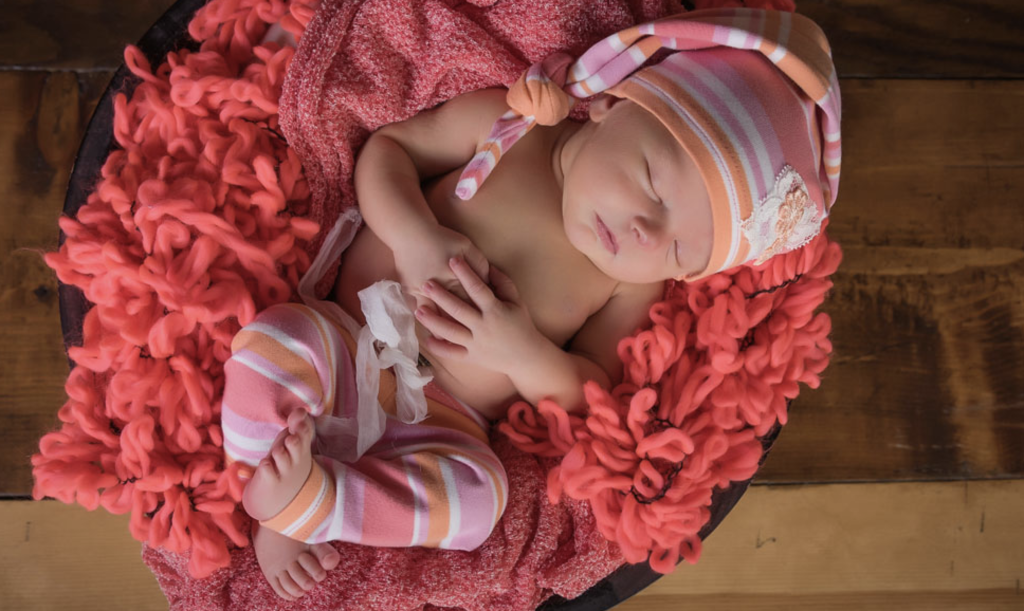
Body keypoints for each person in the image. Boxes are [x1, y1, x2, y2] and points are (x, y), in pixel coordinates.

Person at [222, 7, 841, 600]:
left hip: (443, 418)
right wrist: (414, 238)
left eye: (679, 249)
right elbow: (389, 153)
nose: (645, 233)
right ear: (610, 106)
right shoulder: (510, 128)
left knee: (479, 502)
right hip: (345, 337)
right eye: (653, 184)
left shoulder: (632, 286)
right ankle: (269, 480)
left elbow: (586, 390)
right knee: (275, 340)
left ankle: (318, 502)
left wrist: (520, 353)